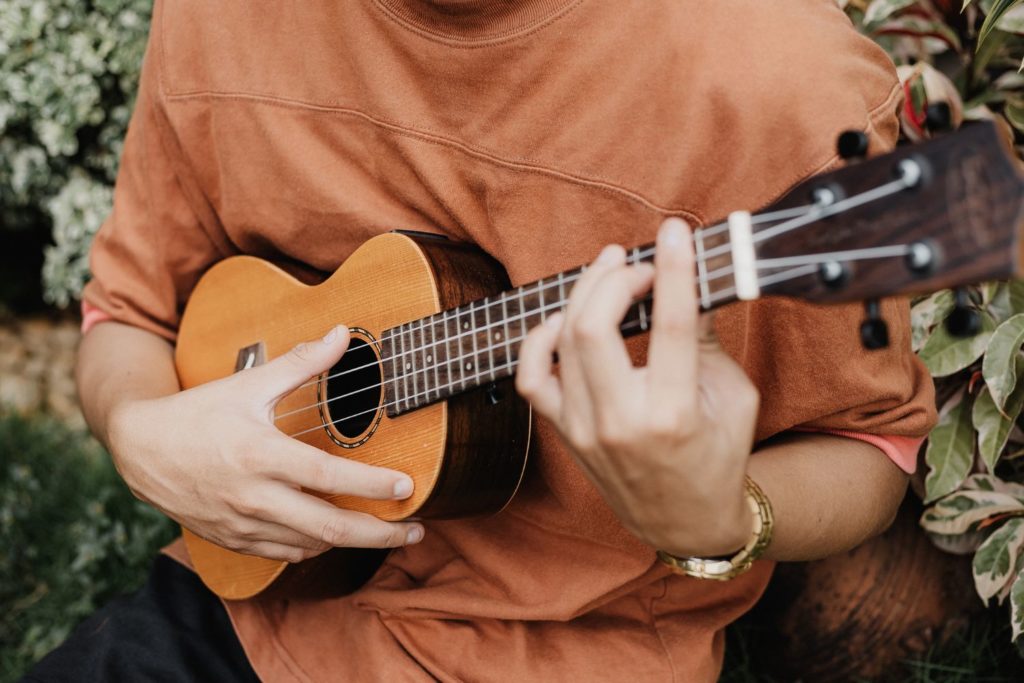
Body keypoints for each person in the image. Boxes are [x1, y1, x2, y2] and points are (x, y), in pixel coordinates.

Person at [27, 1, 936, 680]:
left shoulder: (784, 89)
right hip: (253, 609)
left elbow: (872, 445)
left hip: (574, 657)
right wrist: (145, 438)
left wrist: (726, 515)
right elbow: (130, 316)